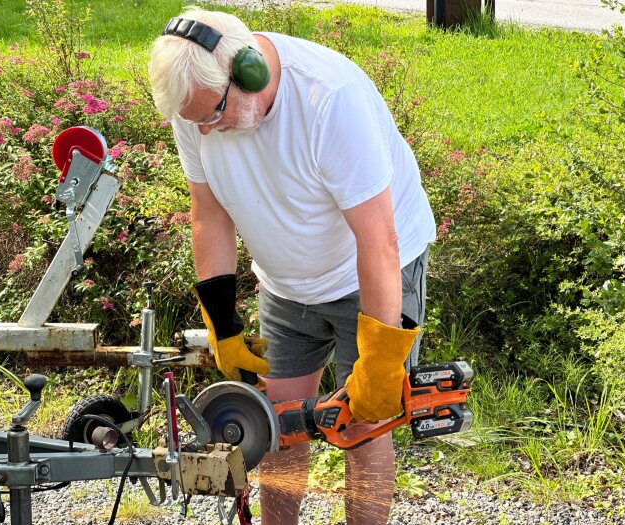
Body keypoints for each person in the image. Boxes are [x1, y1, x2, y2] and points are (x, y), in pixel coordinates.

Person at [149, 8, 435, 524]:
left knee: (364, 425)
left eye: (214, 114)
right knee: (275, 423)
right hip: (284, 282)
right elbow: (209, 216)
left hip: (366, 271)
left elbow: (379, 242)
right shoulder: (196, 106)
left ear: (248, 71)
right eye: (196, 122)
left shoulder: (329, 98)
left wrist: (382, 356)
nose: (207, 130)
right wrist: (223, 326)